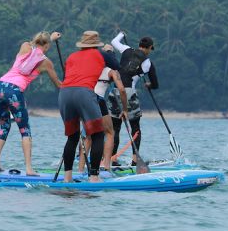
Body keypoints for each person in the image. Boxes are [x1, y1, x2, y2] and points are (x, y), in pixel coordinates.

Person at [0, 31, 62, 175]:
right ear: (47, 45)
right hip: (14, 90)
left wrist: (50, 39)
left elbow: (36, 47)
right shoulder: (46, 63)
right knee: (25, 130)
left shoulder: (25, 45)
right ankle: (29, 169)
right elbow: (59, 85)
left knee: (4, 126)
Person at [59, 31, 119, 183]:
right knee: (98, 134)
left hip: (64, 93)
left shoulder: (72, 56)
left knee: (72, 137)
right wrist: (109, 52)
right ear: (96, 44)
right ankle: (94, 176)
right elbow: (116, 65)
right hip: (84, 93)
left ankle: (67, 178)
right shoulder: (100, 54)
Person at [108, 32, 158, 165]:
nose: (149, 52)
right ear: (148, 48)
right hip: (129, 93)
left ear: (139, 45)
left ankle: (112, 159)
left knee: (115, 129)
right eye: (150, 49)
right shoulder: (147, 63)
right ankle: (135, 161)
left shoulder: (126, 49)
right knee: (135, 128)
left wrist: (121, 34)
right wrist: (149, 85)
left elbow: (114, 41)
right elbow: (155, 84)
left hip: (115, 92)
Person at [92, 44, 129, 171]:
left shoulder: (91, 67)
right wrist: (125, 109)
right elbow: (122, 90)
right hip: (98, 100)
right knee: (109, 133)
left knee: (88, 136)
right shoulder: (112, 71)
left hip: (85, 99)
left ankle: (81, 169)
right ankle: (105, 166)